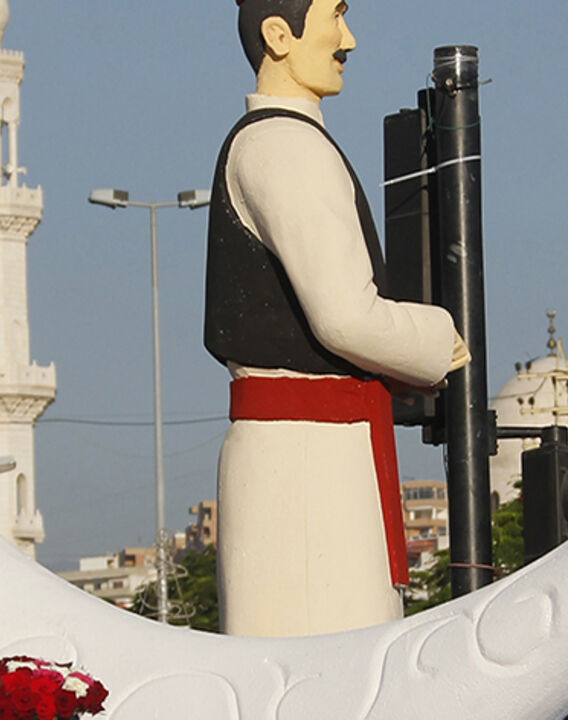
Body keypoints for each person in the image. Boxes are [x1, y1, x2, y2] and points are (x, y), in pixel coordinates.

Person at [204, 0, 471, 637]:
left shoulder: (279, 141)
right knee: (333, 660)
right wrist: (442, 340)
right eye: (335, 15)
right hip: (307, 458)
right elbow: (345, 317)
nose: (348, 38)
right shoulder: (285, 145)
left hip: (309, 448)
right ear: (279, 35)